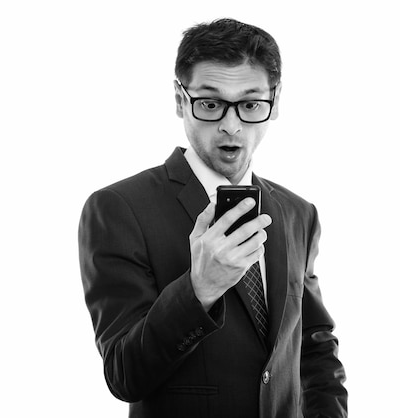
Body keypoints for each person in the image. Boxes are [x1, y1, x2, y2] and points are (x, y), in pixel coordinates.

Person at [78, 18, 347, 417]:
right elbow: (123, 374)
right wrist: (198, 290)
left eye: (251, 103)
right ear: (179, 100)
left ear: (275, 101)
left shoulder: (298, 213)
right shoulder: (118, 208)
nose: (231, 125)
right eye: (210, 103)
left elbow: (314, 345)